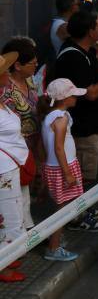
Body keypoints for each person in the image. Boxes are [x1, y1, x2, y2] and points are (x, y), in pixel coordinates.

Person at [50, 10, 98, 227]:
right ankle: (76, 216)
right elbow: (91, 93)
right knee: (82, 174)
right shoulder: (74, 56)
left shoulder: (84, 51)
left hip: (88, 126)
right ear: (89, 30)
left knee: (84, 172)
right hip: (81, 127)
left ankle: (81, 208)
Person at [42, 78, 95, 262]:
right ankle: (54, 247)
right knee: (62, 210)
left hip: (55, 166)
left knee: (62, 206)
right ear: (65, 98)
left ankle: (55, 237)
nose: (76, 98)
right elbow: (58, 147)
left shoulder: (50, 115)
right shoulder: (61, 118)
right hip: (63, 167)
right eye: (73, 95)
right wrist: (67, 173)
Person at [2, 38, 42, 222]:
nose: (36, 65)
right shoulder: (5, 91)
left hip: (29, 151)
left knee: (25, 197)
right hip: (13, 156)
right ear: (18, 65)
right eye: (33, 63)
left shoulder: (30, 81)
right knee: (17, 200)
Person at [0, 51, 30, 283]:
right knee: (7, 217)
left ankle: (8, 255)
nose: (8, 76)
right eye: (5, 72)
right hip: (2, 170)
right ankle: (3, 265)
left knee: (13, 213)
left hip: (9, 167)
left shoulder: (2, 98)